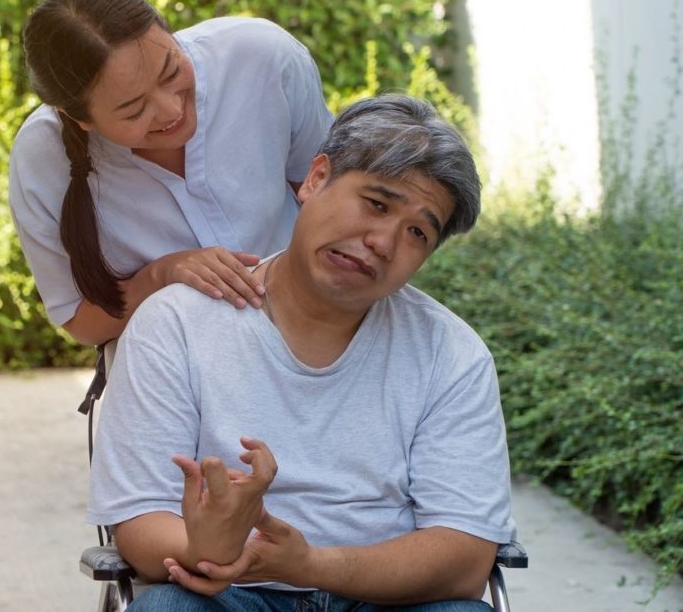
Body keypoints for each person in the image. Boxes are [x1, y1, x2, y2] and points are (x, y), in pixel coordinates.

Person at [86, 95, 517, 611]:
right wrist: (214, 547)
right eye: (376, 203)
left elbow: (465, 557)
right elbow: (140, 525)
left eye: (418, 232)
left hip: (386, 599)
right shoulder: (176, 324)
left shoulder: (452, 355)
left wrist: (311, 565)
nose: (382, 241)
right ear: (314, 179)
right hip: (229, 593)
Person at [8, 0, 333, 346]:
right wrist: (160, 275)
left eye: (172, 71)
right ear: (79, 118)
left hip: (315, 344)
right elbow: (81, 322)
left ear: (167, 29)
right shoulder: (42, 157)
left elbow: (332, 200)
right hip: (169, 380)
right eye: (134, 111)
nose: (171, 109)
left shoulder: (262, 58)